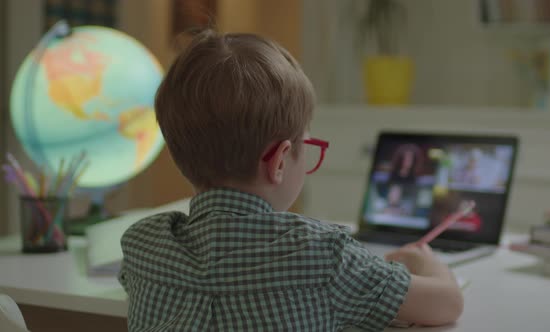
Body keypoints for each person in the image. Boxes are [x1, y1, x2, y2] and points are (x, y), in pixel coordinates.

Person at [118, 28, 463, 331]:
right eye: (307, 144)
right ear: (280, 160)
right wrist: (424, 261)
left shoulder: (142, 245)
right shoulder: (324, 256)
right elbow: (447, 304)